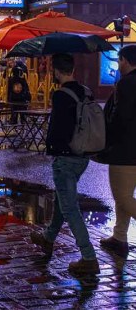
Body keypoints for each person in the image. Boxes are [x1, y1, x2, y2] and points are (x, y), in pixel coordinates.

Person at [29, 54, 99, 275]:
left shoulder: (61, 95)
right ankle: (48, 238)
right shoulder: (86, 91)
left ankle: (89, 257)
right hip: (83, 155)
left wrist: (50, 147)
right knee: (61, 199)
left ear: (57, 71)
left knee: (69, 207)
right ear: (73, 68)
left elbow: (58, 129)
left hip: (66, 157)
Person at [99, 45, 136, 257]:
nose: (118, 65)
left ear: (126, 61)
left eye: (119, 60)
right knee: (125, 196)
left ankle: (119, 237)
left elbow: (120, 118)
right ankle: (119, 237)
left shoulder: (126, 84)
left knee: (122, 197)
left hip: (126, 149)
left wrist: (108, 139)